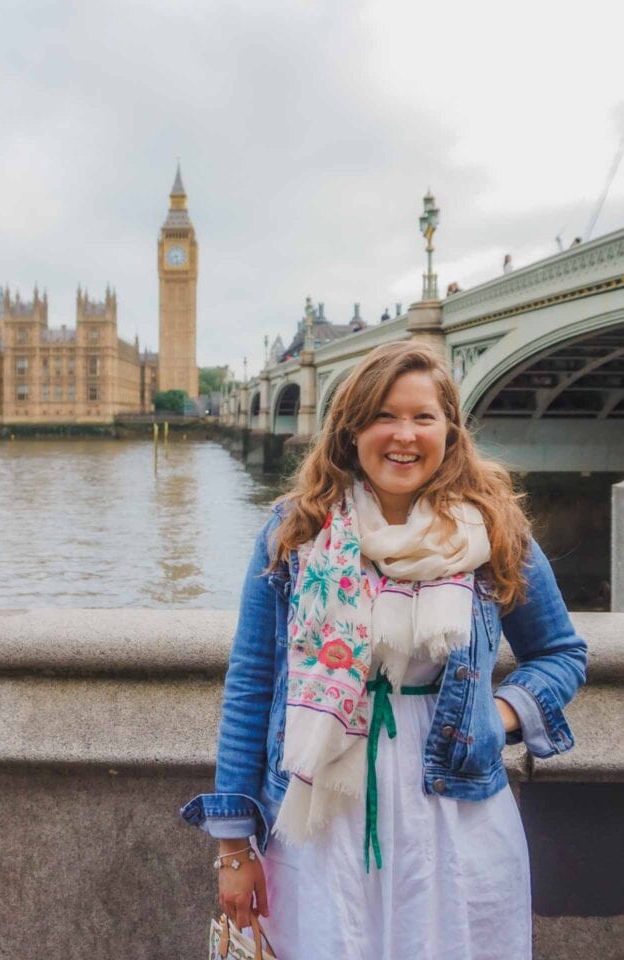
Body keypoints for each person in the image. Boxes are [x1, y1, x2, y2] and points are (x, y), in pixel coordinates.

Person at [180, 341, 587, 960]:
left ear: (449, 430)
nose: (404, 435)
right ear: (350, 431)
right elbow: (252, 685)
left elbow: (561, 653)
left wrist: (496, 718)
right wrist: (234, 847)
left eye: (423, 417)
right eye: (382, 416)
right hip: (320, 814)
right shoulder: (295, 532)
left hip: (456, 806)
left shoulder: (495, 531)